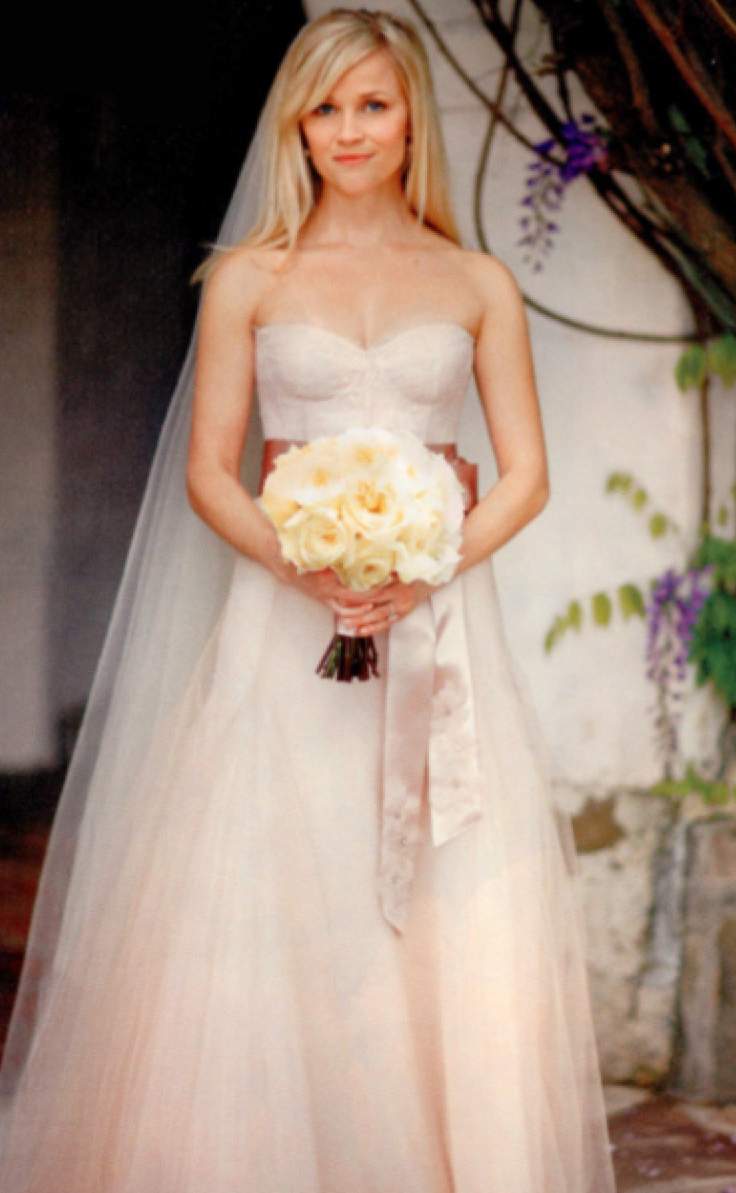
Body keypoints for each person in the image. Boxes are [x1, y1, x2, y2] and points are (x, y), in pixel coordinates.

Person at [0, 8, 618, 1192]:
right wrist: (313, 569)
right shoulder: (249, 277)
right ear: (295, 122)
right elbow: (208, 471)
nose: (347, 130)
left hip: (437, 633)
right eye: (324, 107)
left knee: (440, 888)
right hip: (280, 631)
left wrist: (422, 567)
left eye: (371, 104)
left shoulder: (476, 281)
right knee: (278, 883)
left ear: (410, 118)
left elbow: (526, 476)